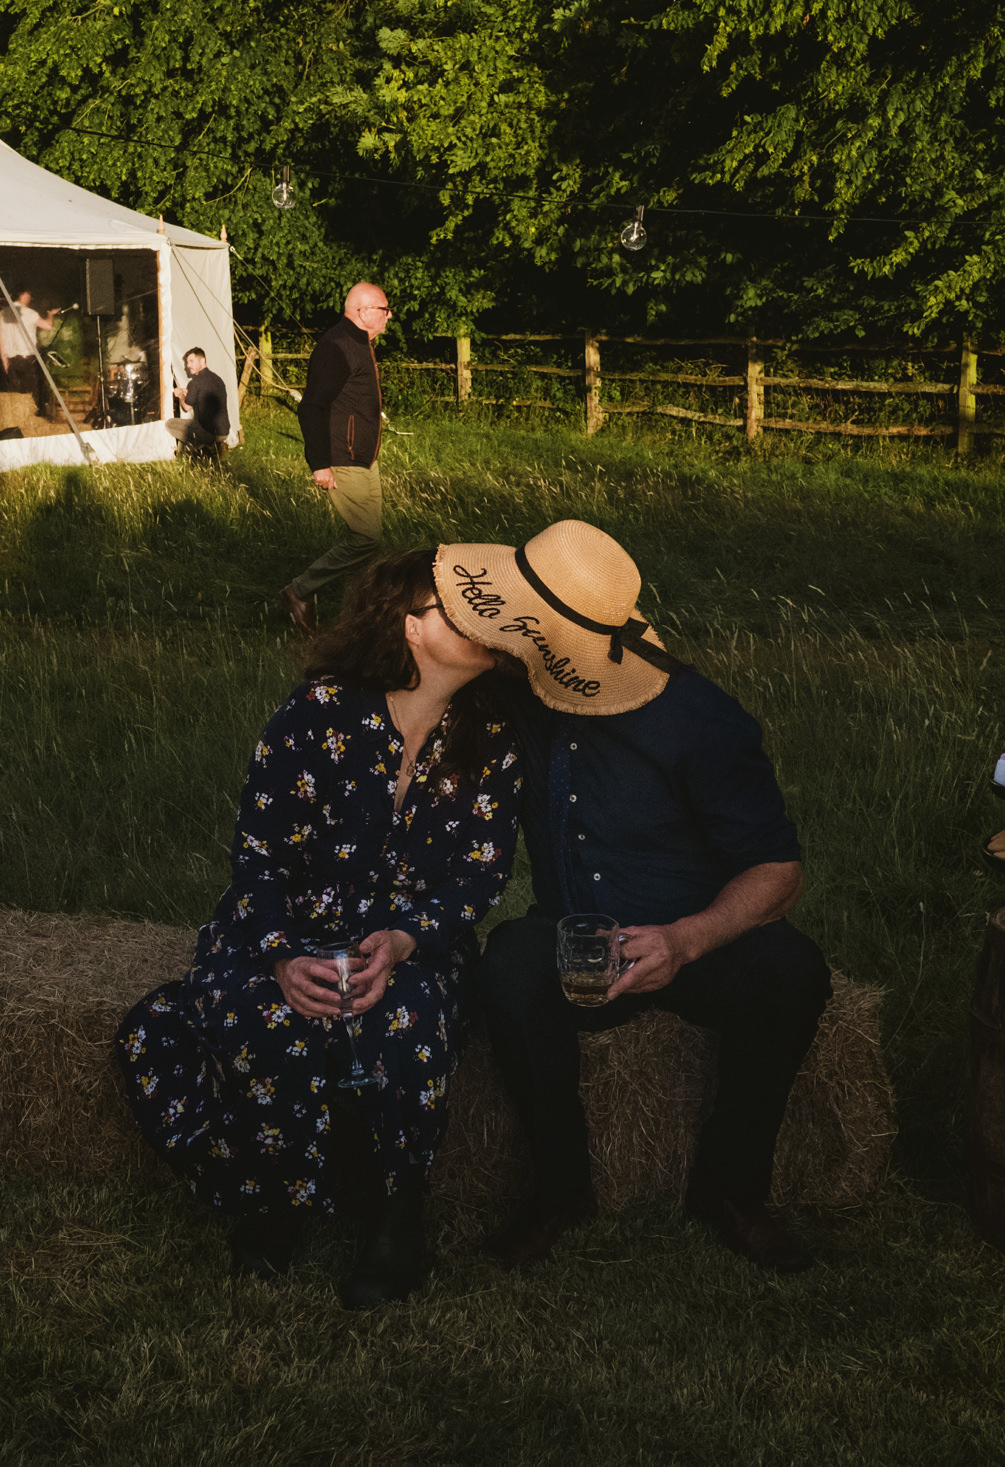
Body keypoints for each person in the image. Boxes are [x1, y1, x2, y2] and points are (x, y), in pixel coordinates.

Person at [116, 548, 523, 1309]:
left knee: (405, 1021)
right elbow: (259, 858)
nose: (479, 626)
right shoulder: (316, 715)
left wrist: (406, 938)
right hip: (287, 928)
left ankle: (398, 1218)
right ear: (411, 628)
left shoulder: (490, 735)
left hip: (408, 936)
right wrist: (279, 956)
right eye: (456, 612)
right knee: (271, 1019)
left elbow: (481, 875)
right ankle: (271, 1196)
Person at [430, 519, 834, 1274]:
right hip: (575, 934)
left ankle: (734, 1190)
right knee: (509, 970)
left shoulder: (698, 718)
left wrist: (686, 940)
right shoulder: (519, 693)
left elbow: (779, 870)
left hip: (696, 939)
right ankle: (559, 1191)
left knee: (792, 971)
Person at [281, 282, 392, 633]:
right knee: (365, 539)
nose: (389, 316)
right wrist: (320, 464)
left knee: (369, 547)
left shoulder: (362, 344)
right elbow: (311, 407)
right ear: (361, 312)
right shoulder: (337, 346)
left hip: (364, 458)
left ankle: (356, 622)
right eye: (383, 309)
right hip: (342, 458)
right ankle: (299, 590)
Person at [166, 347, 230, 461]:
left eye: (191, 361)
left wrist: (180, 394)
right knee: (190, 428)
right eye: (187, 362)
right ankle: (210, 447)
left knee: (171, 424)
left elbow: (186, 407)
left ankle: (205, 448)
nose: (188, 365)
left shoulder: (195, 382)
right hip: (224, 431)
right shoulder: (218, 379)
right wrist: (187, 394)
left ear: (202, 361)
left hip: (209, 432)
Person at [0, 288, 61, 398]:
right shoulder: (30, 313)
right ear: (23, 295)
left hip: (12, 361)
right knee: (31, 396)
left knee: (15, 396)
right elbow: (48, 326)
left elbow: (0, 340)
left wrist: (4, 360)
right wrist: (50, 315)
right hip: (28, 360)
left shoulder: (2, 314)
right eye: (29, 295)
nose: (30, 298)